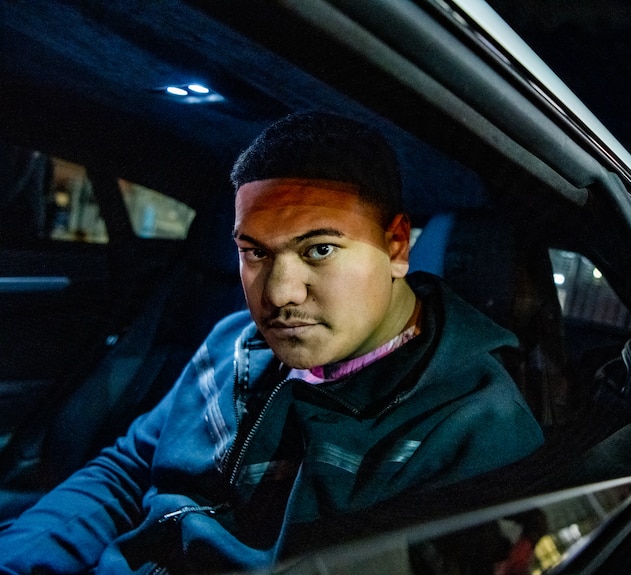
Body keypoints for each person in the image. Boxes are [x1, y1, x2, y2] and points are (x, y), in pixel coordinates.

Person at [0, 112, 544, 573]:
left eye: (320, 250)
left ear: (397, 245)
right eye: (255, 252)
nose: (279, 296)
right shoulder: (232, 343)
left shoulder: (476, 428)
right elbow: (127, 470)